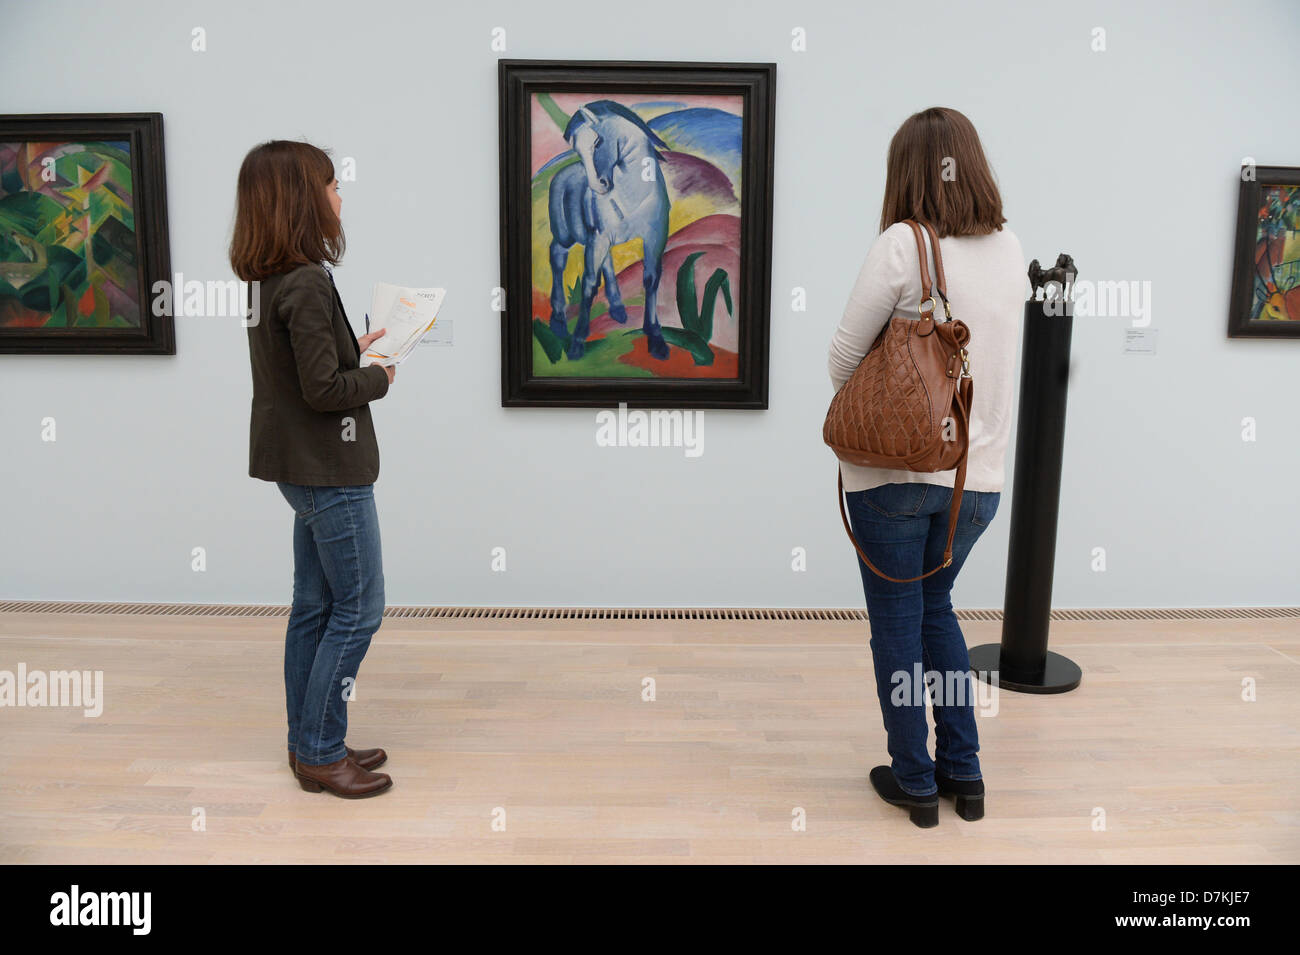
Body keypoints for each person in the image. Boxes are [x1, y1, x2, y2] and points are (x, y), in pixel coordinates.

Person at [827, 107, 1025, 828]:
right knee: (937, 608)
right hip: (978, 482)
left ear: (906, 170)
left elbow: (840, 361)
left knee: (897, 624)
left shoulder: (902, 246)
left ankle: (914, 781)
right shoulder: (1010, 249)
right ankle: (964, 775)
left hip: (895, 478)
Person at [230, 140, 395, 798]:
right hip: (328, 469)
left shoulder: (269, 279)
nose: (339, 196)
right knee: (359, 608)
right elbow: (325, 390)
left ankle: (309, 741)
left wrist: (357, 347)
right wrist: (378, 376)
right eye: (330, 186)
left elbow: (303, 369)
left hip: (294, 465)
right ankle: (321, 752)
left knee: (315, 605)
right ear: (303, 200)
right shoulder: (304, 280)